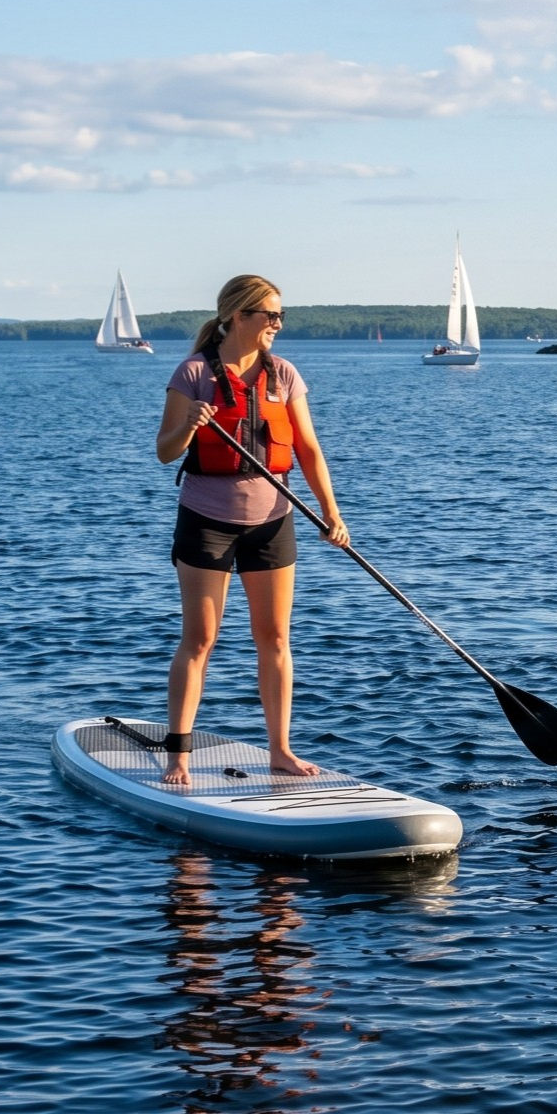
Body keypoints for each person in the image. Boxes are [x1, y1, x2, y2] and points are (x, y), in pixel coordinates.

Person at [152, 275, 350, 786]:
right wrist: (189, 424)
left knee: (276, 638)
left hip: (272, 522)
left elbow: (307, 448)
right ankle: (179, 755)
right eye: (270, 315)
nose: (278, 325)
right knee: (200, 640)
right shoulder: (194, 372)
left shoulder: (283, 374)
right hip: (207, 521)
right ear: (238, 317)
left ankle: (280, 751)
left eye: (281, 316)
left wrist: (331, 510)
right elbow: (165, 450)